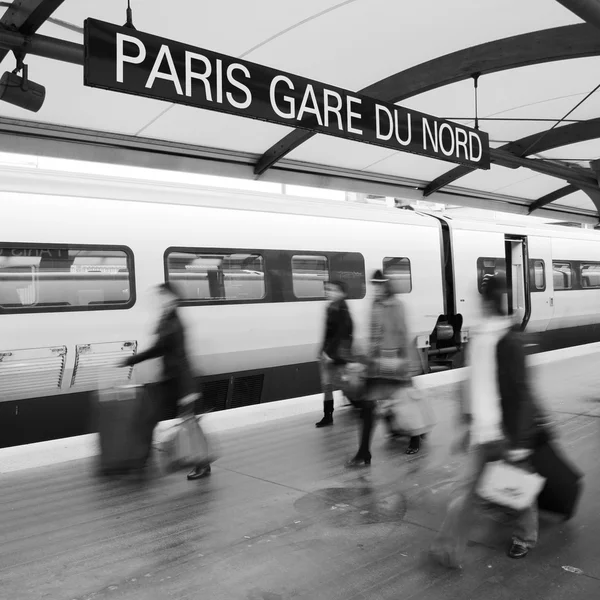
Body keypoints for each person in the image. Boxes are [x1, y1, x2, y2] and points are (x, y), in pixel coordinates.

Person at [430, 275, 545, 567]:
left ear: (493, 300)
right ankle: (448, 549)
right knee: (468, 493)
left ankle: (525, 537)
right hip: (483, 430)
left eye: (487, 297)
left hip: (505, 432)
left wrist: (519, 440)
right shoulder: (480, 336)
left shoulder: (510, 339)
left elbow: (521, 392)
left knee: (516, 486)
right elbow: (473, 383)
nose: (485, 302)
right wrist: (468, 422)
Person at [121, 282, 210, 480]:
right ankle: (142, 462)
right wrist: (131, 360)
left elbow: (172, 354)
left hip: (179, 382)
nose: (159, 300)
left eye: (162, 296)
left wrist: (188, 392)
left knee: (187, 423)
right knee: (151, 419)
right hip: (170, 381)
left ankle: (201, 465)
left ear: (172, 298)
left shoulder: (173, 323)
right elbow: (161, 348)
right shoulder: (168, 318)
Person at [346, 270, 423, 466]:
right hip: (377, 365)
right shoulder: (374, 305)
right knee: (368, 407)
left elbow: (403, 334)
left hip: (396, 364)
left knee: (406, 403)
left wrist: (407, 363)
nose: (376, 289)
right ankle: (364, 451)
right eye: (374, 285)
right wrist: (365, 361)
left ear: (386, 286)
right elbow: (373, 336)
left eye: (379, 285)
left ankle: (415, 437)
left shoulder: (397, 306)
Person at [316, 281, 354, 428]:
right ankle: (327, 416)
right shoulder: (331, 308)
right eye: (328, 290)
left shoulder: (343, 310)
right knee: (327, 386)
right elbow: (327, 333)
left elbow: (342, 334)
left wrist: (330, 353)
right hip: (328, 354)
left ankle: (362, 406)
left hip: (338, 355)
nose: (329, 292)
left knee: (346, 385)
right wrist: (322, 350)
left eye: (332, 290)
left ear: (341, 293)